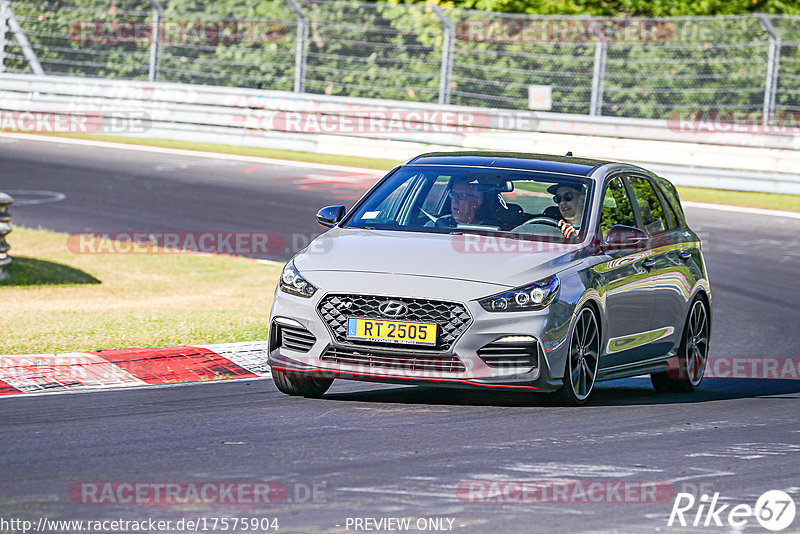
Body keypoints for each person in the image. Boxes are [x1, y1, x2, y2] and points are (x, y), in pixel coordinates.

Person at [428, 178, 498, 227]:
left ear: (476, 203)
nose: (454, 200)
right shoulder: (435, 225)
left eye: (461, 196)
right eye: (453, 194)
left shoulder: (494, 231)